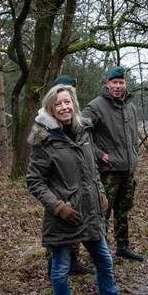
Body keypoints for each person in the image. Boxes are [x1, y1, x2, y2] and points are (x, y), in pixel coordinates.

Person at [27, 84, 137, 295]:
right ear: (50, 109)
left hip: (90, 212)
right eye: (59, 104)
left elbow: (92, 169)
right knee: (61, 269)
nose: (64, 107)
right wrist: (58, 206)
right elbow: (35, 181)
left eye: (67, 102)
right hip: (65, 217)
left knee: (105, 261)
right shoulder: (44, 140)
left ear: (73, 104)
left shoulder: (83, 132)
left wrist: (100, 192)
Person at [83, 66, 144, 262]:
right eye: (114, 83)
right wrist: (99, 154)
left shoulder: (130, 107)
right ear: (107, 84)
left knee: (123, 208)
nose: (118, 86)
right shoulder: (95, 107)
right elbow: (80, 133)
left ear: (125, 84)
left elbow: (133, 135)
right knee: (104, 211)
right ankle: (100, 252)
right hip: (108, 171)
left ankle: (123, 246)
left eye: (121, 83)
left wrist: (134, 154)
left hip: (128, 168)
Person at [52, 74, 95, 276]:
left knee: (77, 223)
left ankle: (73, 261)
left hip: (80, 185)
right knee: (59, 232)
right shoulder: (49, 122)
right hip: (60, 187)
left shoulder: (79, 121)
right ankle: (54, 267)